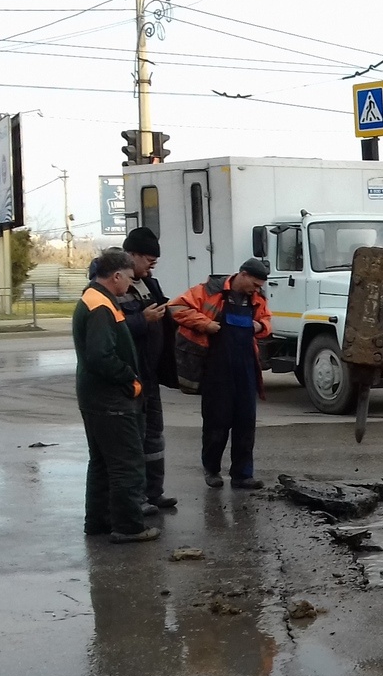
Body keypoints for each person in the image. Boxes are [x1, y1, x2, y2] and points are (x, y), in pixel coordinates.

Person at [74, 249, 158, 543]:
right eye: (130, 279)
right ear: (117, 275)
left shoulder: (94, 298)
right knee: (126, 463)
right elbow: (100, 356)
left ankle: (98, 521)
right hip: (111, 400)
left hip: (95, 398)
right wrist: (130, 378)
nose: (131, 285)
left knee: (101, 462)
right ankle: (128, 526)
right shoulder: (101, 306)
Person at [170, 258, 273, 490]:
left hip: (245, 367)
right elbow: (176, 308)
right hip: (216, 369)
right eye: (254, 284)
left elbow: (266, 320)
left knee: (245, 423)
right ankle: (212, 469)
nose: (257, 290)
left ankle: (242, 475)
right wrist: (204, 324)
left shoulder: (256, 299)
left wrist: (261, 327)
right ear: (243, 274)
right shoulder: (208, 291)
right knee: (216, 423)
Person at [112, 227, 176, 513]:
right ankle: (135, 498)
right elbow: (114, 329)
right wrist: (144, 319)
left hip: (150, 376)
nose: (152, 265)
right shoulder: (112, 288)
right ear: (131, 255)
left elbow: (164, 314)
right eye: (148, 259)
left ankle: (154, 492)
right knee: (134, 440)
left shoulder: (151, 284)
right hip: (131, 377)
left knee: (154, 437)